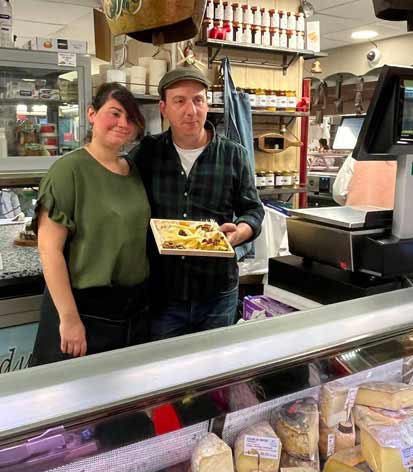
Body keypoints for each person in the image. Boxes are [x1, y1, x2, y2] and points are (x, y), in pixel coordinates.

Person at [131, 65, 264, 339]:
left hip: (217, 292)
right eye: (179, 101)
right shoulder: (148, 152)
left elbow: (253, 209)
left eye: (198, 100)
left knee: (215, 374)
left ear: (207, 104)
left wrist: (240, 232)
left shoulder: (233, 154)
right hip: (163, 293)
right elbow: (115, 186)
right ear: (163, 108)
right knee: (165, 374)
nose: (191, 110)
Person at [30, 83, 150, 365]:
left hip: (131, 310)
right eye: (115, 113)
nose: (123, 123)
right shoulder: (68, 170)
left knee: (123, 403)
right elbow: (49, 251)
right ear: (92, 114)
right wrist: (69, 320)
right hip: (85, 310)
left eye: (130, 118)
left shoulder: (132, 170)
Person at [332, 154, 413, 229]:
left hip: (355, 233)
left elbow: (339, 193)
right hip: (392, 235)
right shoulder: (412, 161)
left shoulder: (356, 156)